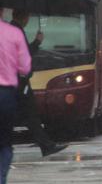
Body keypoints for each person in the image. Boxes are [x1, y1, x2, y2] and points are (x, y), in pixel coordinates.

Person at [8, 11, 67, 155]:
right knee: (30, 116)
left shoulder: (12, 29)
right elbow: (23, 54)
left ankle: (46, 145)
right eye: (27, 16)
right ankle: (46, 146)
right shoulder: (16, 31)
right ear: (24, 17)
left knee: (29, 117)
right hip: (20, 83)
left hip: (17, 81)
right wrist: (37, 42)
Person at [0, 11, 31, 183]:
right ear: (2, 12)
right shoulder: (14, 33)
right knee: (4, 143)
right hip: (6, 95)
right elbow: (25, 68)